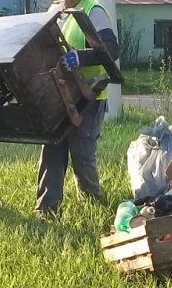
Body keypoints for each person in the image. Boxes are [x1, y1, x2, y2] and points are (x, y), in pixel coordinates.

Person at [35, 0, 121, 219]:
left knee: (82, 154)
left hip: (88, 96)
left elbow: (112, 49)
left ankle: (94, 205)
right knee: (52, 149)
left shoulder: (93, 10)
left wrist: (80, 57)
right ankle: (46, 209)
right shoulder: (54, 10)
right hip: (59, 94)